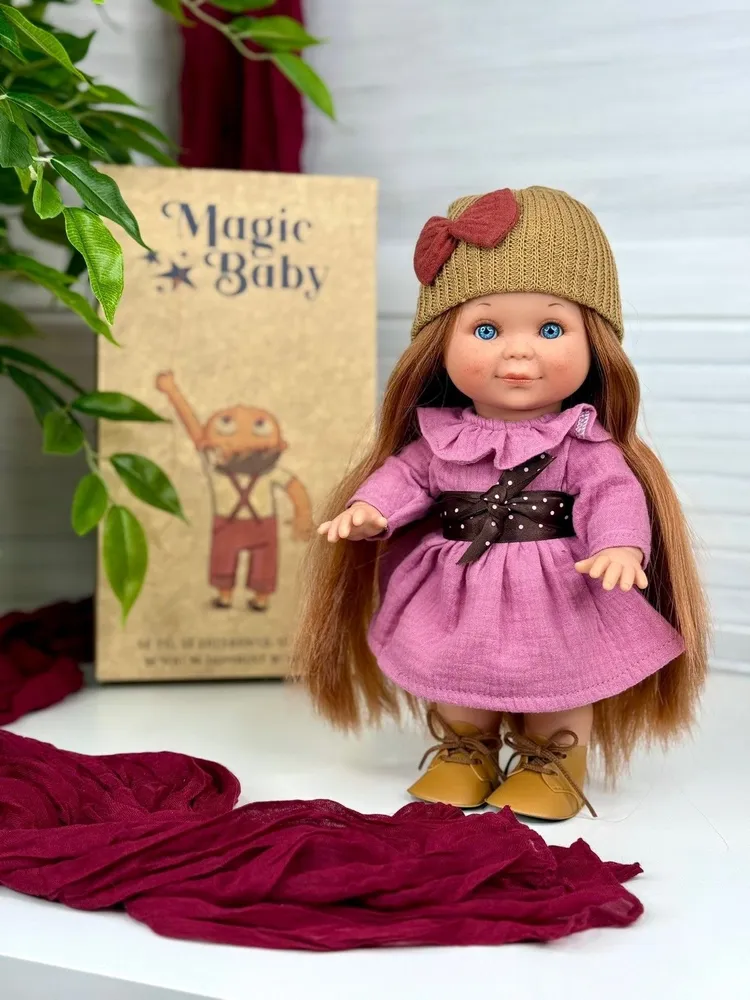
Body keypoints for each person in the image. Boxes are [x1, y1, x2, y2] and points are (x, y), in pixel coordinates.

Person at [293, 186, 708, 821]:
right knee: (454, 668)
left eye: (551, 329)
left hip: (558, 584)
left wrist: (621, 545)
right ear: (440, 345)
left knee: (559, 674)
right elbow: (409, 475)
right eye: (485, 330)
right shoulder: (442, 435)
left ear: (595, 344)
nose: (518, 351)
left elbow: (612, 491)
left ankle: (553, 762)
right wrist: (371, 508)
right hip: (457, 582)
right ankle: (466, 750)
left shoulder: (581, 440)